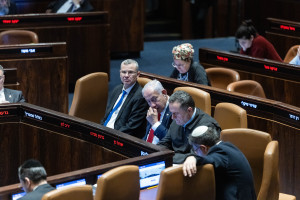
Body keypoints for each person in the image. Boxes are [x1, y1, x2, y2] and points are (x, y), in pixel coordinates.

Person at [183, 126, 256, 200]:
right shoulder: (227, 146)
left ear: (203, 148)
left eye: (195, 150)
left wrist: (192, 157)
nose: (195, 153)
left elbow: (209, 160)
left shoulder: (220, 153)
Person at [158, 90, 221, 164]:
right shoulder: (177, 120)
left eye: (176, 113)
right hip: (175, 163)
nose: (172, 117)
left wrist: (167, 156)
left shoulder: (207, 127)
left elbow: (197, 157)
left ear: (189, 110)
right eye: (172, 113)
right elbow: (165, 143)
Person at [101, 59, 148, 138]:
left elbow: (131, 127)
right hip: (105, 131)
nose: (126, 75)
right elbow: (107, 115)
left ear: (138, 74)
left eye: (130, 72)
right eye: (123, 72)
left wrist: (110, 136)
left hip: (119, 137)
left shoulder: (140, 96)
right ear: (120, 73)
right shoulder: (117, 89)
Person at [141, 79, 172, 144]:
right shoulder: (153, 109)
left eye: (154, 99)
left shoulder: (175, 110)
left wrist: (155, 123)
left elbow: (171, 141)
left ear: (164, 93)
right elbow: (147, 136)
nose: (152, 105)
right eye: (148, 101)